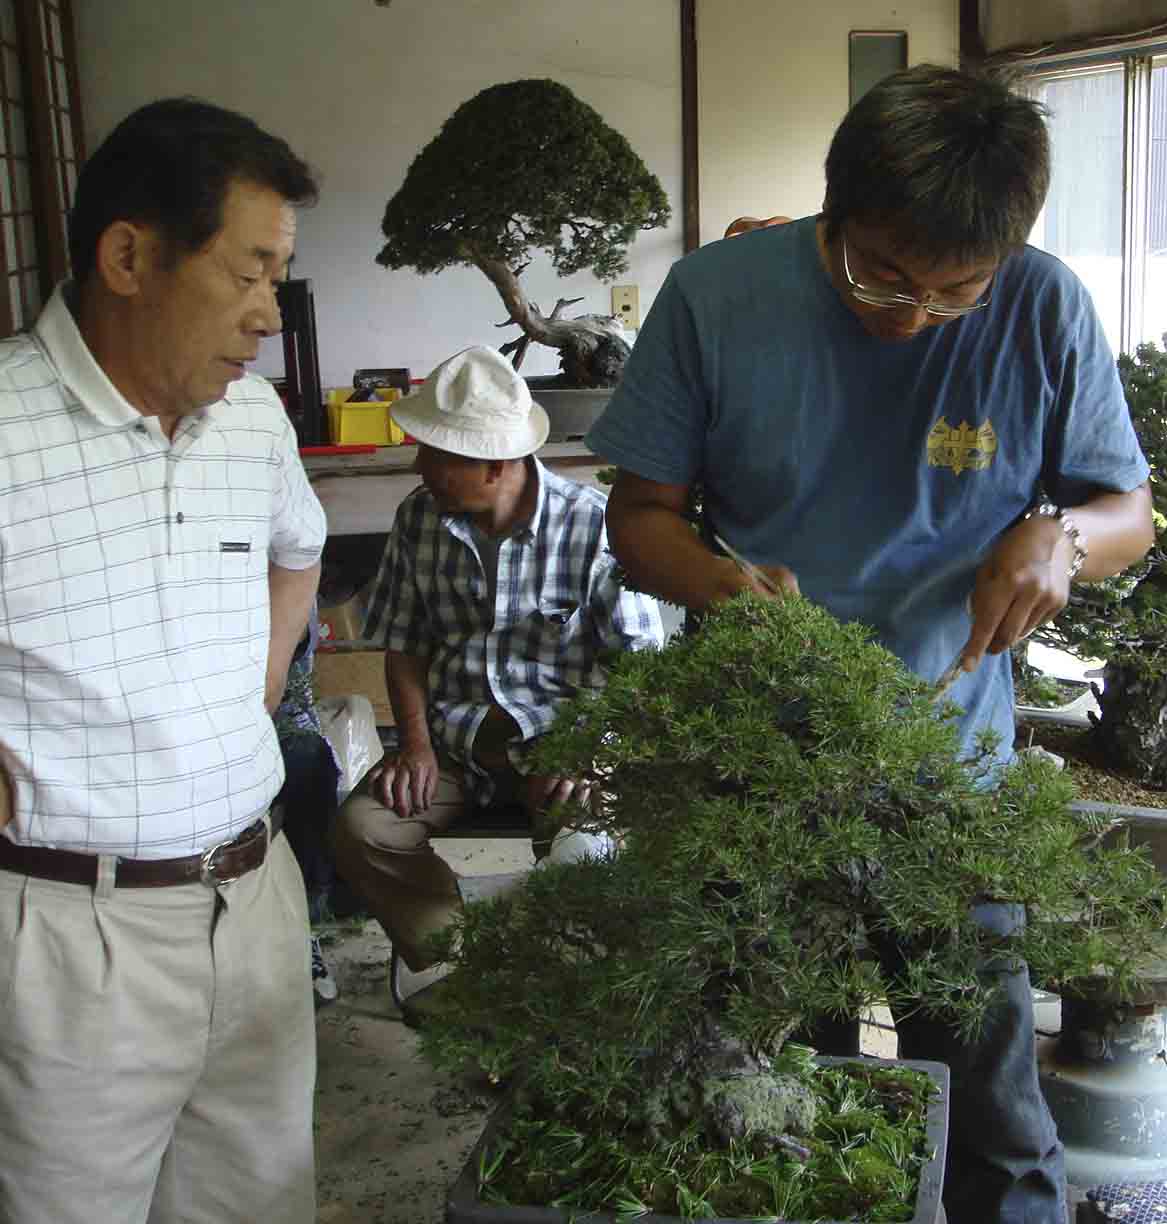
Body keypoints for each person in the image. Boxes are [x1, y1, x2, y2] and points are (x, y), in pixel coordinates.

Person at [587, 65, 1155, 1224]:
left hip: (951, 769)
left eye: (956, 291)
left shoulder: (1042, 307)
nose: (912, 312)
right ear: (834, 208)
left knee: (992, 1098)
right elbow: (638, 517)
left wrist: (1062, 538)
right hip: (760, 765)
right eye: (881, 273)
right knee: (781, 1092)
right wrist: (722, 584)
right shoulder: (716, 297)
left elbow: (1128, 512)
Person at [0, 99, 325, 1222]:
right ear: (130, 258)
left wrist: (257, 689)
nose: (268, 315)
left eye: (279, 278)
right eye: (248, 273)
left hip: (255, 898)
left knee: (258, 1202)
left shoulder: (254, 421)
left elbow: (298, 554)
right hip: (69, 935)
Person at [331, 345, 665, 1017]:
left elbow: (642, 665)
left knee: (586, 850)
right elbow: (404, 645)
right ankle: (468, 961)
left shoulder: (592, 523)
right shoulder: (418, 518)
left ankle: (573, 1000)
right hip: (453, 747)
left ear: (494, 464)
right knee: (361, 829)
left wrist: (590, 754)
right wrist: (415, 746)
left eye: (436, 454)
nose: (420, 468)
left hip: (562, 747)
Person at [272, 602, 343, 1006]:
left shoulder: (286, 579)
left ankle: (306, 929)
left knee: (310, 762)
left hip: (277, 716)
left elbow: (293, 642)